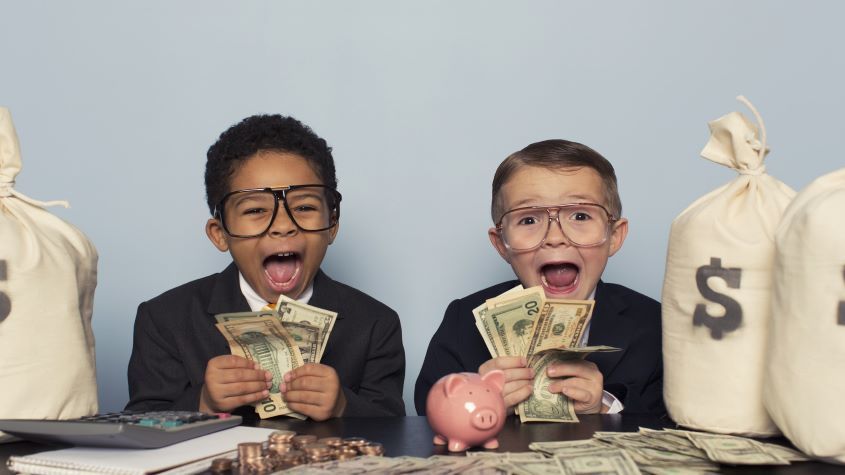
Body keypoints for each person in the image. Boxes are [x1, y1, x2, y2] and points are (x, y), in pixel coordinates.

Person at [127, 114, 405, 420]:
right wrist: (202, 401)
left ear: (332, 225)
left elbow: (395, 430)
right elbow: (143, 422)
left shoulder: (376, 324)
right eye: (256, 209)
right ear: (220, 234)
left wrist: (343, 406)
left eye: (304, 207)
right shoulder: (165, 320)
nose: (283, 226)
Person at [415, 139, 663, 416]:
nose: (555, 238)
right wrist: (475, 403)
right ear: (501, 244)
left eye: (580, 215)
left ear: (614, 237)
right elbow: (426, 413)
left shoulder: (656, 324)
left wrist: (605, 407)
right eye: (529, 220)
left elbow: (673, 423)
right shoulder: (464, 320)